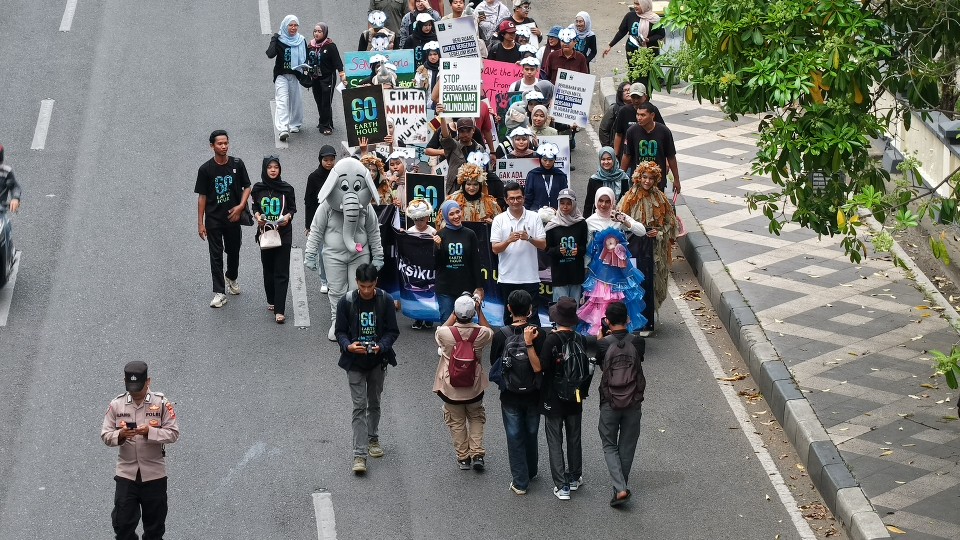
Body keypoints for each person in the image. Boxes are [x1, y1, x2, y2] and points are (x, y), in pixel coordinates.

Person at [305, 158, 385, 341]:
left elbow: (373, 231)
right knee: (336, 290)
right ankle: (337, 321)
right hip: (333, 255)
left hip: (359, 252)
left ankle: (356, 322)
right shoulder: (326, 207)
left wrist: (378, 255)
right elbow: (316, 229)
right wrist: (310, 253)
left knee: (357, 289)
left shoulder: (365, 208)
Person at [101, 361, 180, 540]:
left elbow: (173, 433)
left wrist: (150, 432)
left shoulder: (161, 404)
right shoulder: (116, 405)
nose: (135, 393)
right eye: (131, 388)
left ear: (148, 381)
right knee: (122, 526)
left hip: (154, 475)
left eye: (139, 388)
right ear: (125, 382)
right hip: (126, 474)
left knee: (154, 529)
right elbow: (105, 434)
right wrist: (120, 435)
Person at [335, 263, 400, 475]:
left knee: (375, 403)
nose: (366, 290)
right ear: (357, 283)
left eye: (369, 286)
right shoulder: (346, 302)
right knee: (359, 406)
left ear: (376, 283)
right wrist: (348, 346)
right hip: (354, 362)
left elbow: (392, 331)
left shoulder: (386, 301)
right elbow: (340, 332)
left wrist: (382, 346)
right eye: (362, 286)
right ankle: (359, 454)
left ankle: (373, 438)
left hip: (377, 362)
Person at [527, 297, 590, 500]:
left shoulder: (552, 339)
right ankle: (574, 477)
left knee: (555, 439)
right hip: (576, 396)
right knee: (574, 437)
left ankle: (561, 486)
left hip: (553, 397)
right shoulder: (579, 338)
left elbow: (539, 367)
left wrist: (529, 345)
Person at [488, 289, 544, 495]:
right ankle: (531, 469)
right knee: (531, 431)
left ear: (509, 308)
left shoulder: (501, 334)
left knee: (514, 435)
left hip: (510, 394)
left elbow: (495, 363)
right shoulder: (539, 333)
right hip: (534, 393)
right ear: (530, 310)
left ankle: (520, 482)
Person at [434, 294, 495, 470]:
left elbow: (440, 331)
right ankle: (477, 454)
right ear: (472, 313)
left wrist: (453, 315)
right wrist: (479, 310)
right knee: (476, 417)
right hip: (474, 387)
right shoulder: (481, 333)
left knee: (456, 421)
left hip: (450, 388)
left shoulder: (445, 334)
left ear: (456, 313)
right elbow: (490, 330)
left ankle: (463, 458)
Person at [595, 301, 646, 506]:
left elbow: (602, 367)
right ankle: (619, 487)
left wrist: (602, 339)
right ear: (627, 319)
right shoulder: (638, 342)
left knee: (609, 444)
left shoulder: (603, 344)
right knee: (627, 444)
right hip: (633, 400)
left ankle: (620, 488)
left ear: (607, 321)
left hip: (610, 401)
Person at [195, 130, 251, 308]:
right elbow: (202, 197)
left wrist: (241, 206)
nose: (224, 146)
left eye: (226, 143)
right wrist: (200, 223)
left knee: (234, 251)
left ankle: (231, 277)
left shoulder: (237, 164)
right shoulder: (205, 169)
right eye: (220, 143)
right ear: (212, 146)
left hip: (233, 219)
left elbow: (247, 186)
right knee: (216, 255)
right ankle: (219, 292)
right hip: (213, 220)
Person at [618, 161, 678, 314]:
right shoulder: (629, 198)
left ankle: (650, 314)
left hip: (656, 248)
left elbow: (670, 223)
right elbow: (620, 221)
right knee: (636, 279)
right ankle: (634, 314)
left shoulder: (661, 198)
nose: (647, 181)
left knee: (655, 280)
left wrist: (659, 234)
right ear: (639, 177)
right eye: (644, 177)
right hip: (635, 247)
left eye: (651, 178)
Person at [491, 182, 546, 323]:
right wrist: (508, 240)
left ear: (524, 198)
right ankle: (509, 345)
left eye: (519, 197)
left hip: (530, 278)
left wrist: (529, 238)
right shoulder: (499, 219)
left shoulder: (534, 217)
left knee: (532, 319)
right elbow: (495, 249)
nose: (515, 201)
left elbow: (543, 245)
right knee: (510, 319)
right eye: (512, 198)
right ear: (506, 200)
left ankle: (533, 345)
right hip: (508, 278)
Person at [252, 156, 297, 324]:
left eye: (276, 167)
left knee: (281, 271)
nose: (272, 170)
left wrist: (288, 217)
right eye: (269, 167)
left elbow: (293, 208)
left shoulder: (287, 189)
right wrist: (257, 216)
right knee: (268, 269)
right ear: (265, 169)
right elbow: (255, 206)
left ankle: (280, 310)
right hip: (265, 233)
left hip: (283, 233)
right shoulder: (258, 188)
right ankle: (272, 299)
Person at [577, 227, 647, 334]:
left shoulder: (619, 220)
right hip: (599, 275)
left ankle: (618, 332)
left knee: (617, 304)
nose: (603, 208)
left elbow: (641, 231)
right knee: (600, 304)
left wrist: (626, 220)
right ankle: (602, 332)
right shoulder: (590, 222)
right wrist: (585, 265)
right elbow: (588, 250)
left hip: (618, 277)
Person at [434, 200, 485, 322]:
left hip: (466, 287)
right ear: (445, 215)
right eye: (451, 214)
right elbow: (437, 265)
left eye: (458, 212)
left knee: (467, 326)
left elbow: (475, 262)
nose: (456, 216)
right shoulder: (440, 234)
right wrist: (438, 248)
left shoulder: (470, 234)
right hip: (446, 288)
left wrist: (479, 287)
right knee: (447, 325)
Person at [621, 102, 680, 194]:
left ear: (652, 115)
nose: (639, 118)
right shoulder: (631, 131)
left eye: (643, 115)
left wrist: (676, 179)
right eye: (637, 114)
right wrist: (621, 176)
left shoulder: (664, 131)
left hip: (657, 182)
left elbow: (671, 156)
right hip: (638, 182)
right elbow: (627, 155)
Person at [604, 0, 664, 87]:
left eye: (638, 4)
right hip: (632, 50)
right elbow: (621, 32)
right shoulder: (630, 16)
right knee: (634, 75)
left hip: (649, 52)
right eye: (634, 3)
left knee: (647, 78)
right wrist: (610, 45)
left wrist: (649, 39)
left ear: (645, 5)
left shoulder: (655, 19)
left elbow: (661, 34)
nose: (635, 6)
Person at [267, 15, 307, 142]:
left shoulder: (301, 40)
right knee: (282, 101)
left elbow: (306, 56)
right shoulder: (279, 40)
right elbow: (270, 54)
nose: (293, 28)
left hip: (295, 75)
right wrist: (274, 39)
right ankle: (283, 128)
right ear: (285, 26)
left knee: (296, 101)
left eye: (295, 25)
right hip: (281, 75)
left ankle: (294, 124)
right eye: (290, 25)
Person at [304, 145, 338, 293]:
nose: (329, 163)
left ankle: (336, 279)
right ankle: (324, 280)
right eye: (326, 160)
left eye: (331, 159)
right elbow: (309, 201)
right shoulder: (313, 177)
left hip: (337, 218)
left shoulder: (339, 175)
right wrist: (308, 224)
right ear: (320, 160)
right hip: (320, 219)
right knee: (323, 251)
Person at [545, 188, 587, 302]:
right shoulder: (552, 224)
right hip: (559, 274)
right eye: (562, 203)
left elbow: (584, 247)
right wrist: (558, 250)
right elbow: (547, 249)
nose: (565, 206)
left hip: (576, 274)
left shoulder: (581, 223)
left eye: (569, 203)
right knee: (561, 310)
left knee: (574, 308)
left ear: (574, 204)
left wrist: (578, 250)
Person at [307, 23, 347, 136]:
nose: (316, 33)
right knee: (318, 100)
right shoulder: (310, 46)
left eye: (319, 31)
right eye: (315, 31)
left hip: (328, 78)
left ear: (324, 33)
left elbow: (338, 63)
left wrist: (342, 75)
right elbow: (306, 60)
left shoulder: (330, 46)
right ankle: (323, 121)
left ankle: (326, 126)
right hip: (315, 78)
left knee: (326, 101)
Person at [404, 198, 436, 329]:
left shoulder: (432, 231)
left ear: (427, 217)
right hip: (415, 267)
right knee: (416, 291)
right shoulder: (410, 230)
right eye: (416, 219)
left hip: (428, 267)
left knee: (429, 291)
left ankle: (429, 318)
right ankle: (418, 318)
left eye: (422, 219)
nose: (419, 222)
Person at [436, 108, 483, 194]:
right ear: (457, 132)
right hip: (455, 191)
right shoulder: (453, 146)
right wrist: (442, 116)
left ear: (473, 130)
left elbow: (486, 171)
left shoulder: (479, 148)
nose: (465, 134)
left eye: (468, 131)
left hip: (475, 191)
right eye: (462, 131)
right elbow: (445, 136)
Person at [613, 82, 665, 159]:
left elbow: (662, 133)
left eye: (638, 97)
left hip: (650, 157)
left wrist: (666, 158)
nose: (636, 101)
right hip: (629, 157)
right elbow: (619, 134)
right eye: (633, 97)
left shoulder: (653, 110)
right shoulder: (624, 111)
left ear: (645, 97)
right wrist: (615, 155)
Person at [584, 147, 630, 217]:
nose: (606, 162)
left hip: (617, 218)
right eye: (603, 159)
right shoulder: (594, 179)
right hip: (598, 219)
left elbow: (626, 202)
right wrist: (586, 223)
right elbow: (589, 204)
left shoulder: (623, 178)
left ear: (614, 159)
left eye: (609, 159)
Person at [523, 142, 567, 210]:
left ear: (554, 160)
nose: (547, 163)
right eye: (545, 160)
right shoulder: (532, 175)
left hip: (556, 212)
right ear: (540, 159)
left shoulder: (560, 175)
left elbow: (564, 196)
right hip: (536, 212)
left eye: (551, 160)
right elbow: (528, 196)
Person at [599, 81, 631, 148]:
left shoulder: (639, 109)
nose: (628, 92)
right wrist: (608, 149)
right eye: (625, 90)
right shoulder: (614, 109)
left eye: (630, 90)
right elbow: (603, 129)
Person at [414, 41, 442, 109]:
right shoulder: (422, 70)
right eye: (430, 54)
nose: (432, 57)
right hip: (427, 107)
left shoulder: (444, 69)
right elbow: (417, 89)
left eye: (435, 54)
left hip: (442, 107)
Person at [0, 144, 21, 214]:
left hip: (0, 210)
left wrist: (15, 198)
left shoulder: (6, 171)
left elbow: (15, 186)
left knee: (6, 225)